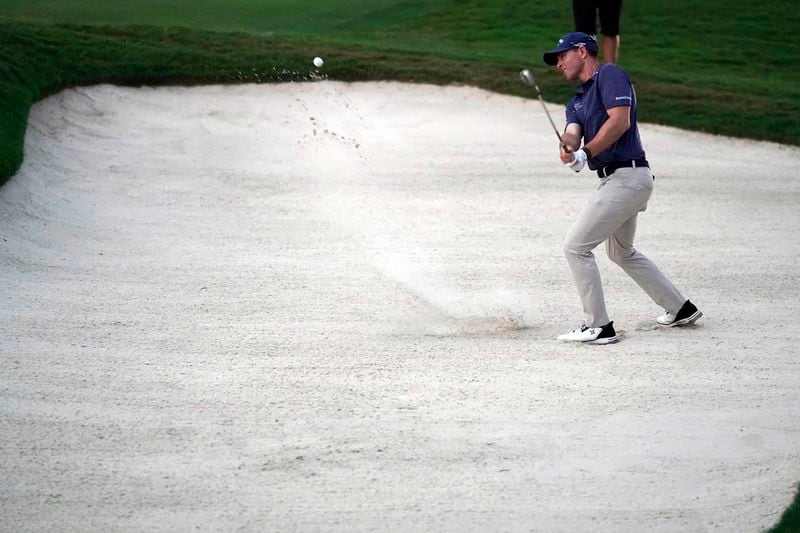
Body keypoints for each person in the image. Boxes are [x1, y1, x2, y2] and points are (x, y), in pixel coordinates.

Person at [542, 32, 702, 345]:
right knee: (621, 251)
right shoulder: (577, 101)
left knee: (575, 247)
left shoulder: (609, 75)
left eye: (562, 56)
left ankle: (598, 325)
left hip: (628, 177)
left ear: (582, 51)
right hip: (619, 181)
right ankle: (680, 308)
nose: (558, 64)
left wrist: (585, 153)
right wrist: (568, 148)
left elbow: (620, 121)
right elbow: (573, 133)